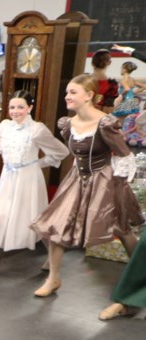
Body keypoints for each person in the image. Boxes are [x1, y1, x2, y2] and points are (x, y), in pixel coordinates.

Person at [31, 74, 142, 300]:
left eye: (73, 93)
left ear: (89, 96)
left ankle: (141, 277)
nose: (67, 97)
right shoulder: (68, 123)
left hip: (104, 180)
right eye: (67, 92)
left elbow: (124, 154)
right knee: (56, 224)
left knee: (121, 229)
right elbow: (77, 153)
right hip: (77, 178)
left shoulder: (104, 123)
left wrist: (119, 184)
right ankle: (53, 278)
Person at [0, 91, 68, 278]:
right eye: (12, 107)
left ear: (30, 108)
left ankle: (52, 258)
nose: (15, 111)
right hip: (8, 178)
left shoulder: (37, 129)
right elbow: (1, 149)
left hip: (29, 179)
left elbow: (60, 151)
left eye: (20, 107)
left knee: (36, 220)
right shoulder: (4, 126)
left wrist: (38, 163)